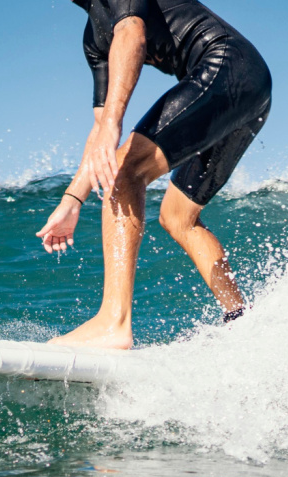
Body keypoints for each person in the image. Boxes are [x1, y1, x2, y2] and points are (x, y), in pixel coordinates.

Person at [36, 0, 271, 349]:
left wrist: (115, 124)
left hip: (227, 66)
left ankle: (113, 322)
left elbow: (133, 34)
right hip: (249, 88)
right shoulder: (95, 40)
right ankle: (240, 317)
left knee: (126, 171)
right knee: (178, 218)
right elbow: (99, 130)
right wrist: (72, 199)